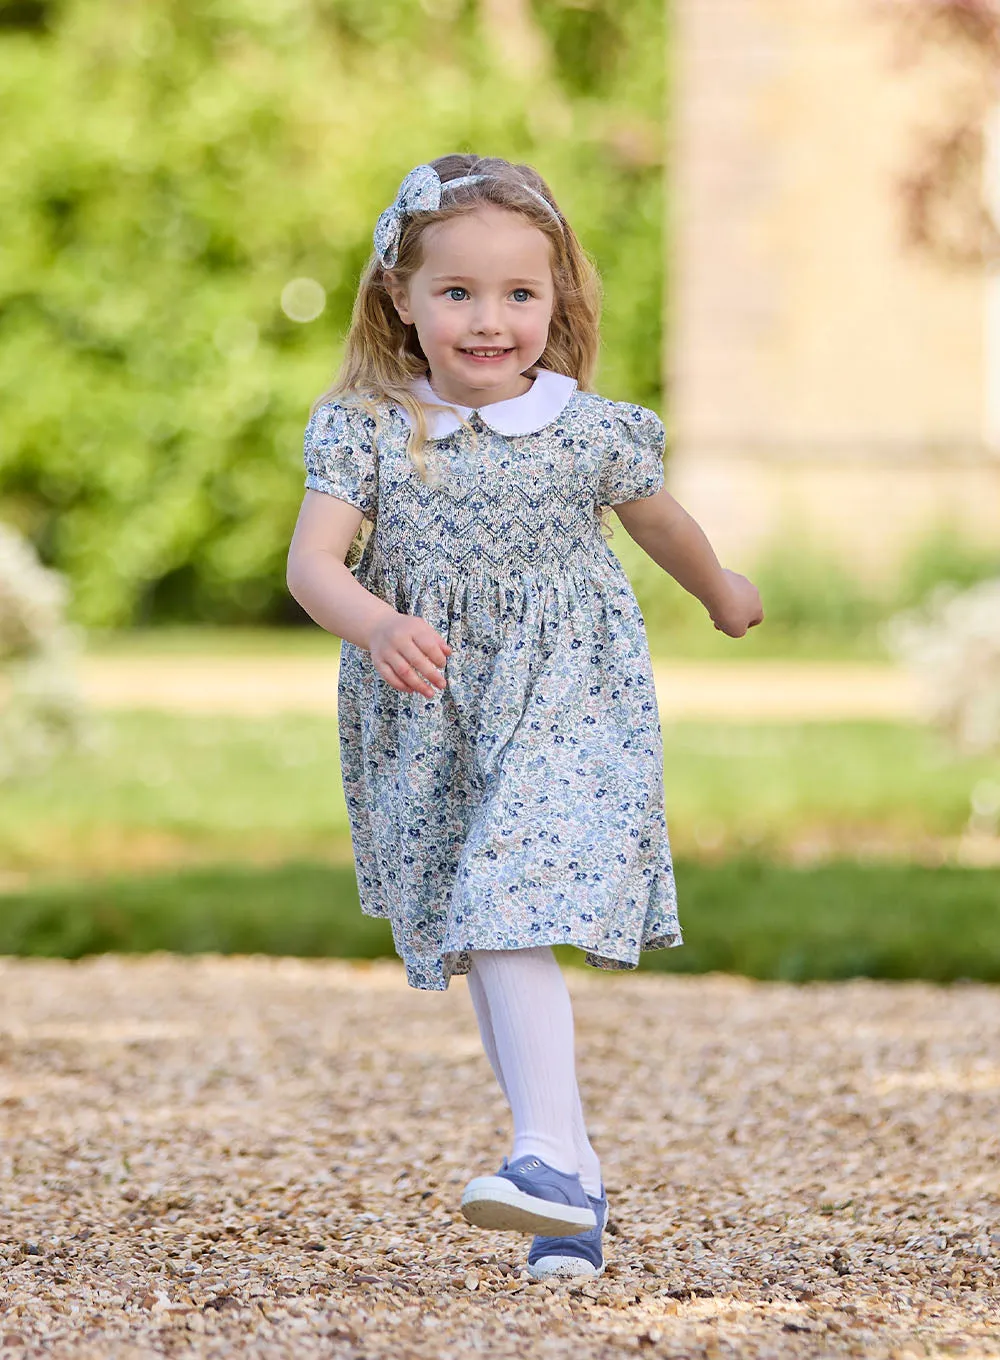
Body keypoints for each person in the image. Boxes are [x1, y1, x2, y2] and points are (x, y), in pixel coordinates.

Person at [286, 154, 763, 1281]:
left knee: (508, 898)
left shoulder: (588, 428)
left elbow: (661, 524)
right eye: (457, 293)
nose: (490, 320)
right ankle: (571, 1189)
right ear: (399, 297)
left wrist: (720, 588)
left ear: (558, 301)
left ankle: (543, 1153)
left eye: (519, 295)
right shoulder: (365, 427)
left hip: (569, 697)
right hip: (433, 703)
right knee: (482, 924)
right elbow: (313, 564)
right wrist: (371, 623)